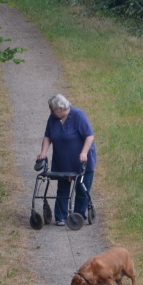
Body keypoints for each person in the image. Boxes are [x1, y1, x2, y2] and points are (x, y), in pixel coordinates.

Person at [37, 93, 96, 226]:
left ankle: (78, 216)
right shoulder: (53, 118)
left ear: (61, 109)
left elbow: (89, 136)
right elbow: (48, 137)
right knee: (62, 189)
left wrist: (84, 153)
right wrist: (43, 153)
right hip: (62, 161)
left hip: (81, 161)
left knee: (82, 188)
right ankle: (60, 217)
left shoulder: (78, 115)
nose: (51, 112)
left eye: (53, 110)